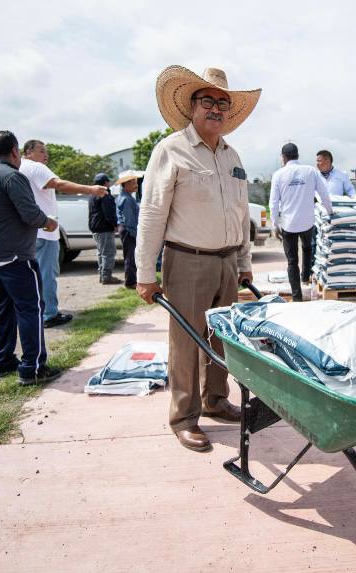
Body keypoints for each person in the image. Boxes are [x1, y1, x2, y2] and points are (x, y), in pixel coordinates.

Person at [135, 65, 261, 452]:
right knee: (187, 341)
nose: (217, 109)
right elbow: (153, 211)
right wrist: (145, 272)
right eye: (208, 101)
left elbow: (239, 214)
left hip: (226, 262)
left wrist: (242, 262)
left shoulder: (232, 154)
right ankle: (184, 417)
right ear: (192, 106)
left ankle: (216, 400)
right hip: (186, 260)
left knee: (223, 338)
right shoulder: (171, 149)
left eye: (223, 103)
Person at [0, 131, 61, 386]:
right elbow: (31, 214)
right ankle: (33, 368)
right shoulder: (12, 176)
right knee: (31, 309)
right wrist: (48, 222)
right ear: (15, 151)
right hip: (15, 258)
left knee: (2, 310)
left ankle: (2, 361)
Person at [19, 140, 108, 327]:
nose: (46, 155)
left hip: (29, 231)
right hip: (45, 231)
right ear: (28, 152)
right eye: (41, 151)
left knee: (32, 276)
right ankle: (49, 314)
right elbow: (59, 184)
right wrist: (91, 189)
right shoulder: (36, 168)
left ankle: (37, 312)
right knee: (47, 274)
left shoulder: (19, 169)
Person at [270, 143, 333, 301]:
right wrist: (330, 212)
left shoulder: (278, 174)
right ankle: (305, 276)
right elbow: (324, 194)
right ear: (297, 155)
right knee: (306, 248)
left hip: (288, 224)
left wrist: (275, 224)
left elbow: (273, 203)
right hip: (307, 222)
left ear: (283, 158)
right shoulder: (311, 171)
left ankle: (297, 297)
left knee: (292, 261)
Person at [88, 173, 121, 285]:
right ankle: (107, 277)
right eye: (108, 181)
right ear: (105, 183)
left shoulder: (92, 195)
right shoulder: (104, 195)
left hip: (95, 228)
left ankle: (102, 275)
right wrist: (115, 224)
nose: (110, 183)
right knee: (108, 253)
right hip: (104, 228)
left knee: (101, 253)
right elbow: (109, 213)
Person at [115, 170, 140, 288]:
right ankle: (130, 282)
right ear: (126, 184)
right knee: (130, 256)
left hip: (126, 229)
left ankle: (132, 280)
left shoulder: (126, 197)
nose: (136, 185)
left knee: (130, 255)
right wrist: (136, 235)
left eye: (136, 182)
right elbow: (129, 220)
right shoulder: (126, 199)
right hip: (128, 230)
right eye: (133, 182)